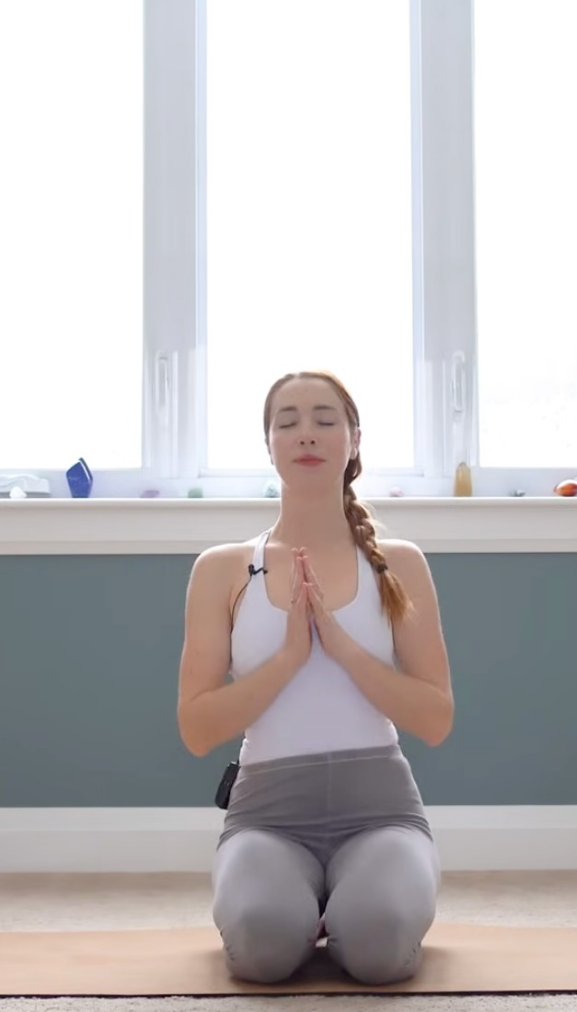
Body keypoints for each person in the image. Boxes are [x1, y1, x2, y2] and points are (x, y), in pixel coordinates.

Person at [176, 370, 455, 986]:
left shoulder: (399, 564)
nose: (307, 433)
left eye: (326, 420)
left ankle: (356, 907)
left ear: (354, 440)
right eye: (289, 421)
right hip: (266, 817)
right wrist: (288, 658)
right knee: (262, 950)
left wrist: (343, 646)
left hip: (380, 812)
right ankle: (299, 911)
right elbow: (197, 729)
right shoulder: (223, 570)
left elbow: (435, 718)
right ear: (268, 444)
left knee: (380, 950)